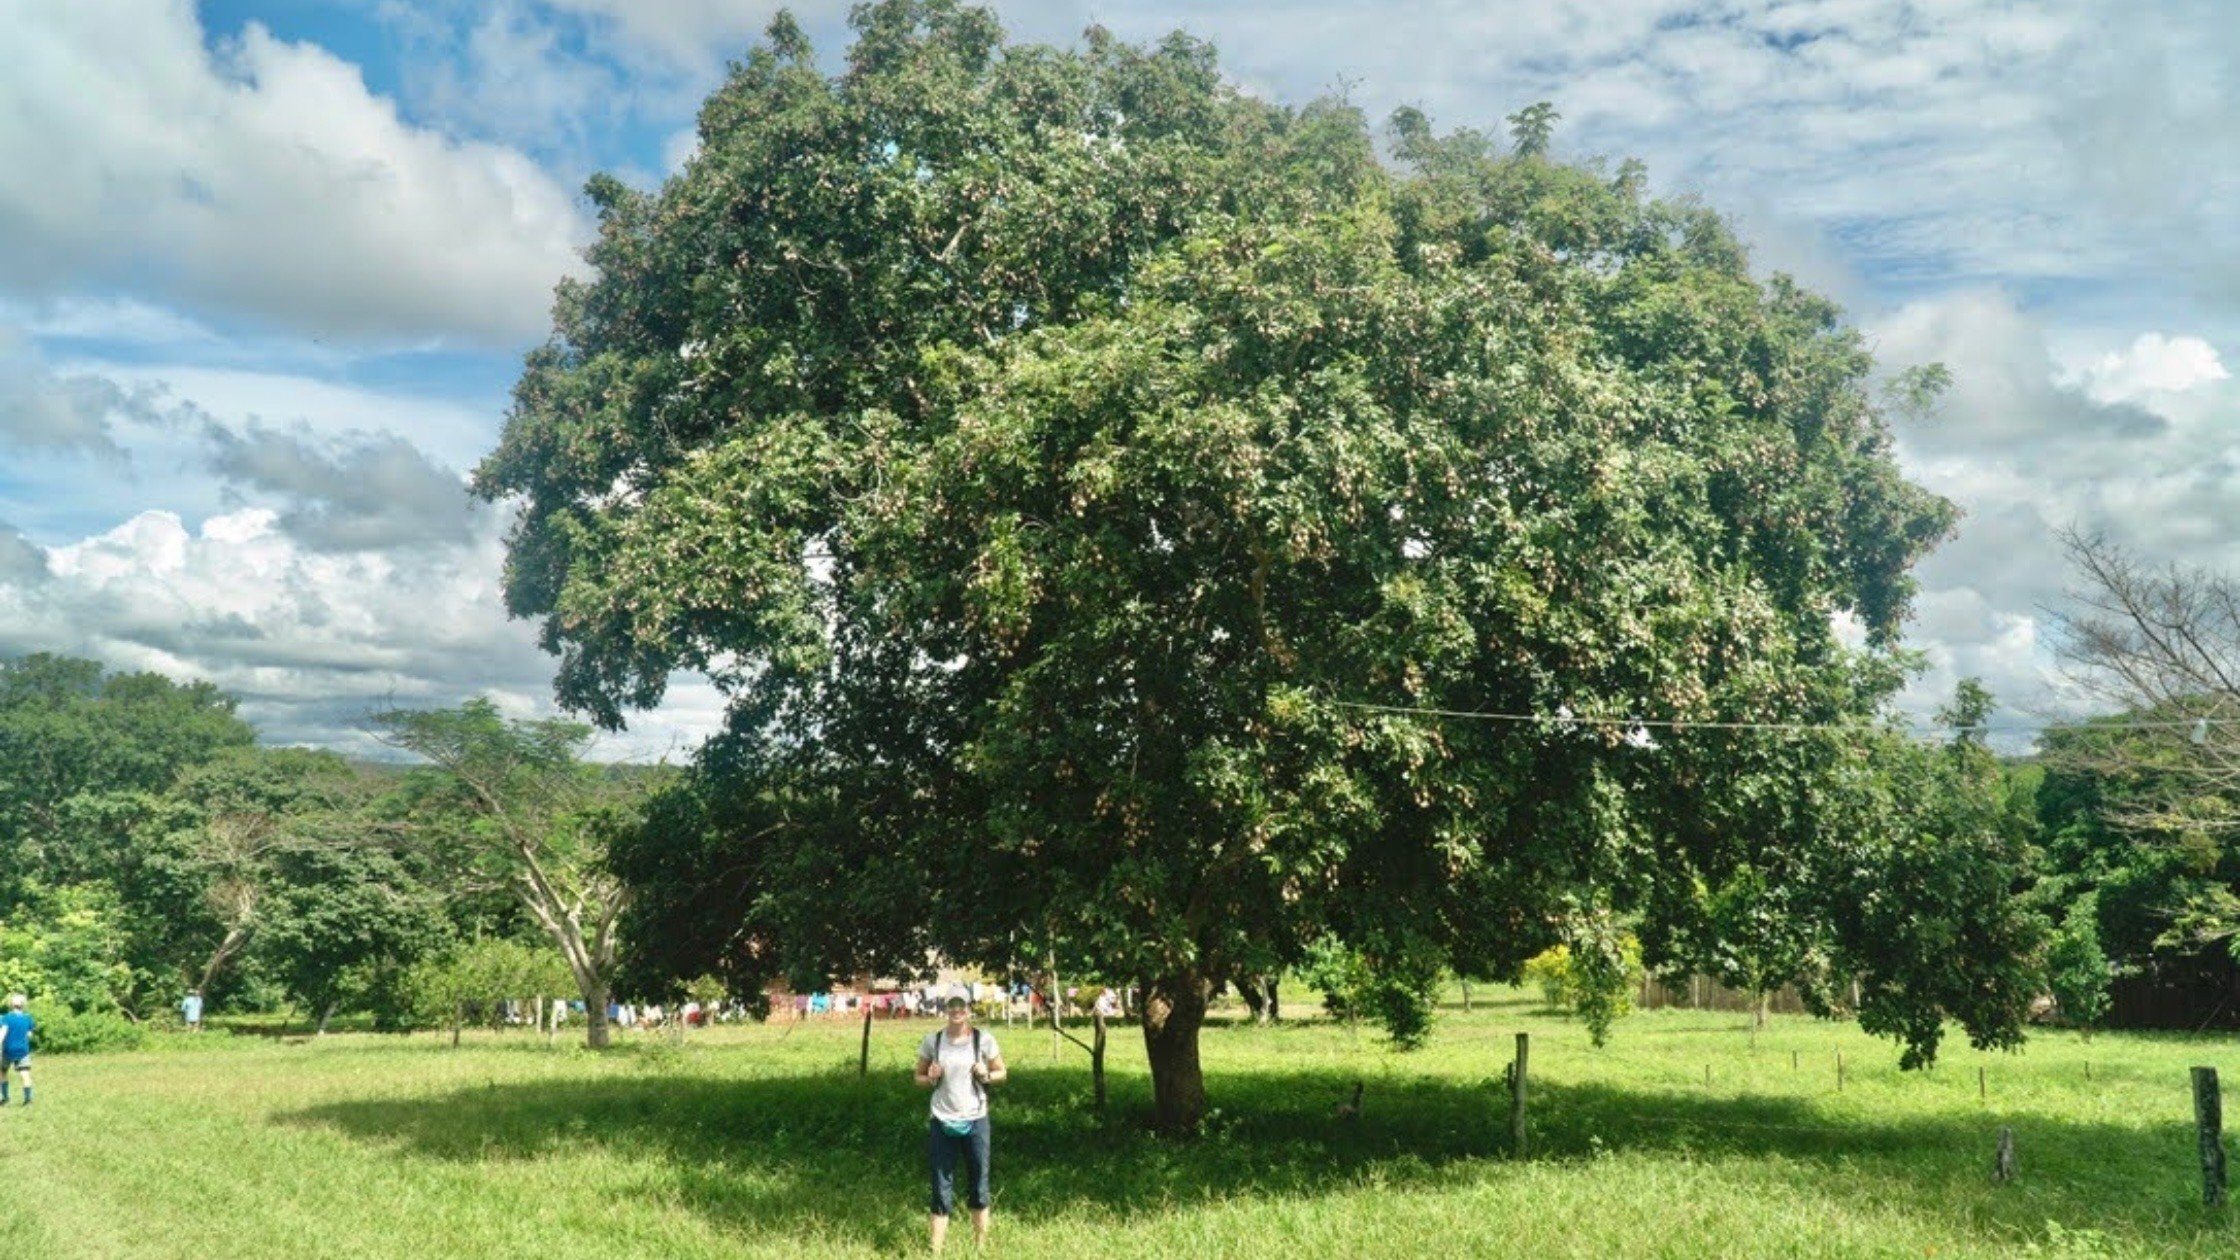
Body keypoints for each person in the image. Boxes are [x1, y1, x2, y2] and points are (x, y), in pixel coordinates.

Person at [914, 995, 1006, 1254]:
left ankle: (980, 1249)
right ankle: (935, 1251)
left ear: (969, 1010)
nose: (956, 1010)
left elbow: (1002, 1072)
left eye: (961, 1006)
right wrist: (929, 1076)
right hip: (942, 1119)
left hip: (976, 1119)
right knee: (941, 1184)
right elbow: (918, 1077)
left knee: (979, 1184)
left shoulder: (983, 1039)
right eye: (951, 1005)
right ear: (945, 1010)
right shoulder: (933, 1040)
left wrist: (986, 1074)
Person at [1, 994, 32, 1106]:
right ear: (23, 1005)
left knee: (2, 1072)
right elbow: (29, 1035)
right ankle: (28, 1100)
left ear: (11, 1005)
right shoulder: (28, 1018)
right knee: (25, 1074)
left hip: (8, 1050)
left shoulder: (7, 1018)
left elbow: (3, 1033)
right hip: (23, 1051)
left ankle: (5, 1098)